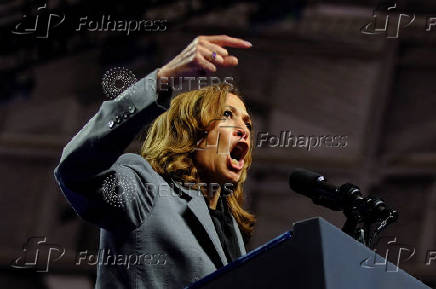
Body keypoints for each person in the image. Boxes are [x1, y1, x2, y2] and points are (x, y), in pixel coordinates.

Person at [54, 35, 255, 289]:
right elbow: (76, 171)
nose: (244, 129)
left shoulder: (231, 231)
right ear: (189, 131)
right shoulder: (145, 188)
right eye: (227, 115)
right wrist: (166, 76)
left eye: (247, 122)